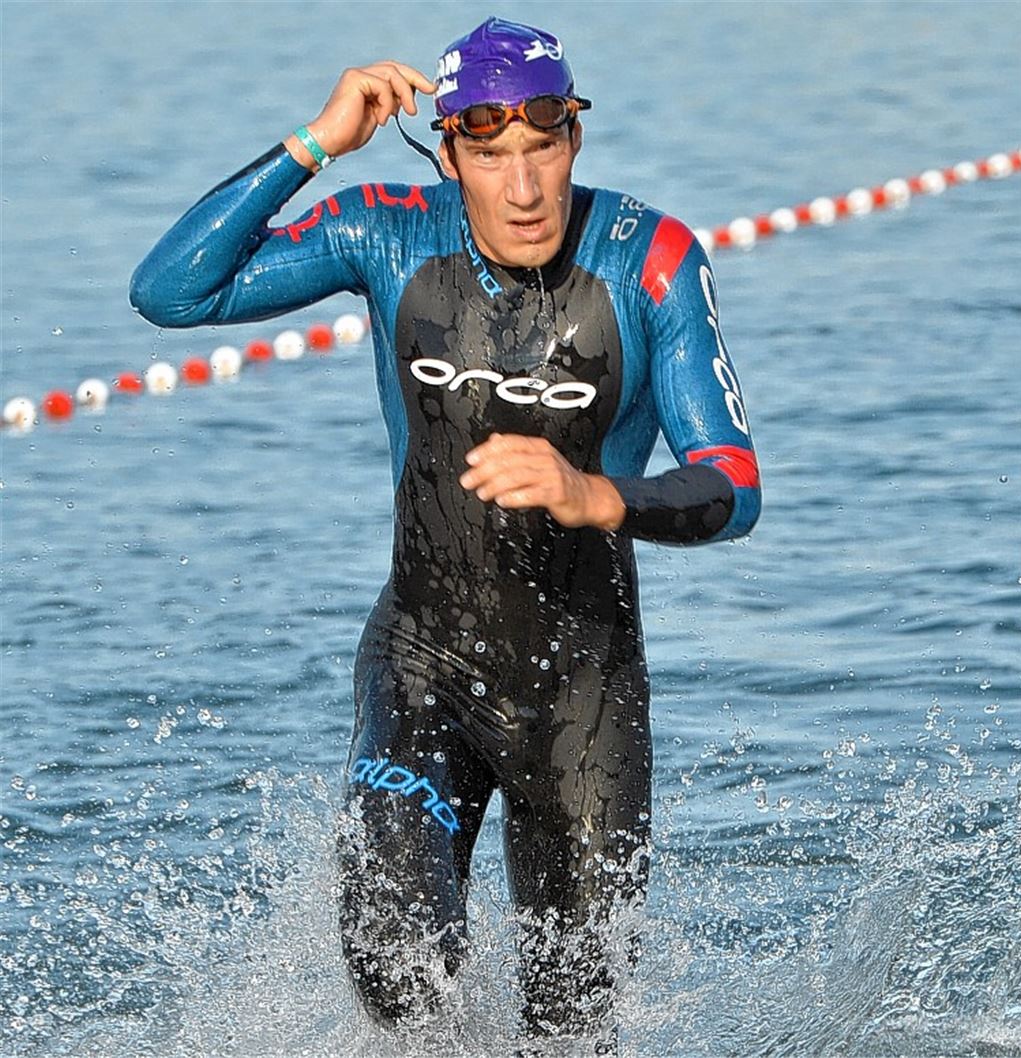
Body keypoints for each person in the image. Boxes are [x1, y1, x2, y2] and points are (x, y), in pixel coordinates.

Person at [130, 16, 761, 1052]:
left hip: (582, 692)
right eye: (492, 156)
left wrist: (598, 495)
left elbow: (733, 480)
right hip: (426, 659)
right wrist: (316, 144)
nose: (524, 190)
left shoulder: (651, 259)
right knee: (394, 963)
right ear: (449, 153)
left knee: (572, 1030)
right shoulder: (389, 232)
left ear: (574, 141)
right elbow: (169, 291)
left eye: (543, 151)